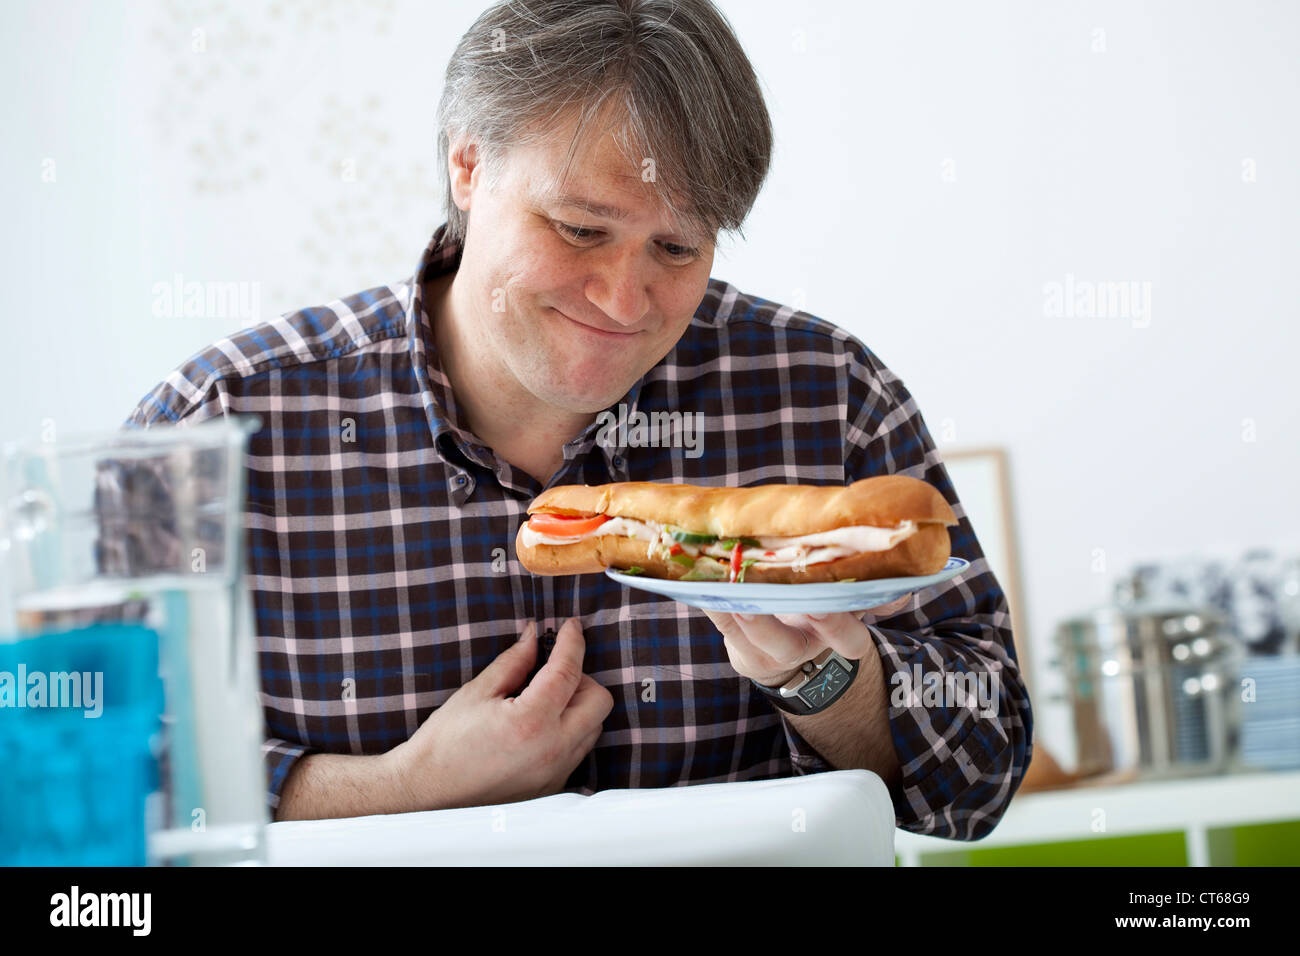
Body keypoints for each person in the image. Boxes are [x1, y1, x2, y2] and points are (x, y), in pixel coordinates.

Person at [123, 0, 1031, 840]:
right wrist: (404, 789)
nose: (623, 299)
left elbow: (984, 775)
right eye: (580, 229)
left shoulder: (828, 396)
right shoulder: (212, 433)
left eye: (677, 248)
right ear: (468, 164)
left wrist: (827, 680)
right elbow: (83, 779)